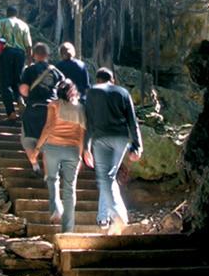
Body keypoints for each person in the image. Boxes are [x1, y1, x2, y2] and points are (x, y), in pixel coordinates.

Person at [83, 67, 142, 234]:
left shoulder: (92, 92)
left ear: (98, 80)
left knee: (106, 177)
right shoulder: (123, 92)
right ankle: (104, 217)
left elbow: (89, 122)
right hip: (121, 138)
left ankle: (118, 215)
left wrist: (86, 146)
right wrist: (137, 145)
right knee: (108, 177)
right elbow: (132, 121)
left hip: (101, 139)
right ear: (113, 80)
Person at [26, 80, 86, 233]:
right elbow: (81, 134)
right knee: (70, 189)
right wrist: (79, 156)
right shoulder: (80, 108)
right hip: (72, 150)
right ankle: (68, 229)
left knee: (52, 178)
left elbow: (48, 127)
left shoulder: (54, 105)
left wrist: (38, 148)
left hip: (53, 147)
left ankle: (56, 206)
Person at [18, 42, 64, 173]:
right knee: (49, 140)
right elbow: (63, 91)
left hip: (33, 108)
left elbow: (24, 90)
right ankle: (52, 167)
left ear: (34, 55)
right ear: (48, 55)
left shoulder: (29, 70)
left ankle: (35, 165)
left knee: (27, 140)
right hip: (51, 111)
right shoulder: (57, 73)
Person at [0, 6, 32, 120]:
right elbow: (29, 45)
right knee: (17, 81)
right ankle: (20, 100)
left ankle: (11, 113)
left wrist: (2, 45)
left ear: (7, 13)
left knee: (5, 83)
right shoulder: (24, 25)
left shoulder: (2, 22)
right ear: (17, 14)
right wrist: (29, 60)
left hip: (8, 52)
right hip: (20, 54)